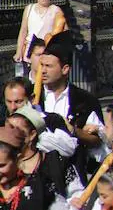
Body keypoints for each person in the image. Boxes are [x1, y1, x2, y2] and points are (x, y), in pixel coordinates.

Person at [36, 31, 104, 176]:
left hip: (76, 171)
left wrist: (74, 131)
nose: (43, 71)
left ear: (65, 69)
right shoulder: (34, 97)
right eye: (42, 65)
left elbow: (97, 141)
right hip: (39, 171)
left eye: (49, 66)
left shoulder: (85, 100)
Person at [13, 0, 64, 73]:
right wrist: (18, 51)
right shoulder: (29, 9)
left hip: (47, 51)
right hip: (29, 52)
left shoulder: (56, 10)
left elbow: (63, 32)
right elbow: (23, 31)